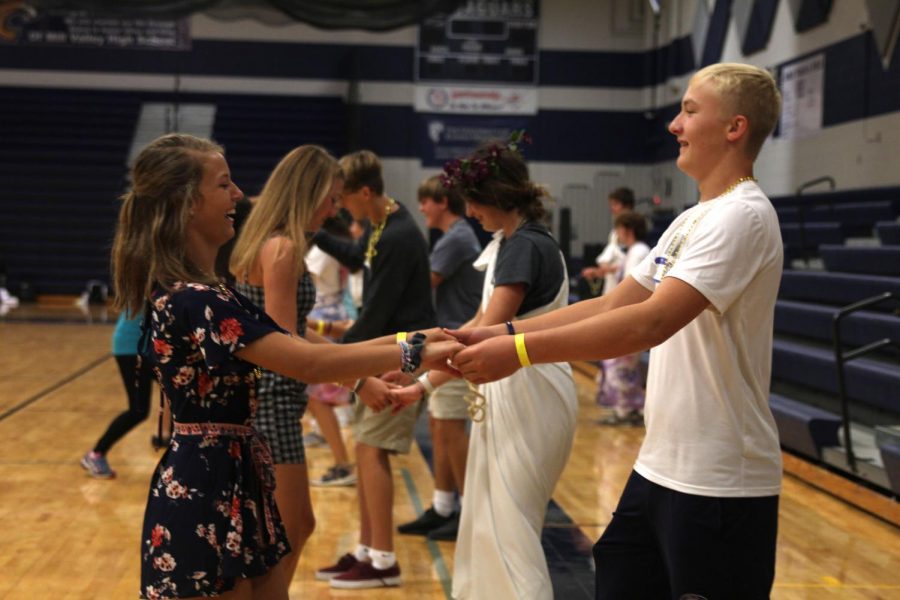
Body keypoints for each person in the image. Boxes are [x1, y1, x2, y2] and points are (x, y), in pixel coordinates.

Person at [450, 63, 784, 599]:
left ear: (734, 128)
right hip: (658, 467)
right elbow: (613, 304)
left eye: (690, 111)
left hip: (721, 481)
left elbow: (650, 322)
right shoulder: (692, 218)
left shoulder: (742, 217)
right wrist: (499, 333)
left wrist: (518, 350)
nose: (675, 125)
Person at [112, 133, 458, 600]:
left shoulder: (213, 292)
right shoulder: (198, 300)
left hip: (235, 473)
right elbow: (307, 360)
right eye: (223, 184)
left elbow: (294, 340)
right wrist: (413, 349)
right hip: (205, 486)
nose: (238, 194)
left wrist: (414, 342)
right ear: (187, 203)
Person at [395, 132, 578, 599]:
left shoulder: (523, 246)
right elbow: (478, 325)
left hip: (530, 388)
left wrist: (415, 367)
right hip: (518, 385)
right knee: (490, 517)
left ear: (495, 196)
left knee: (510, 526)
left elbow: (485, 328)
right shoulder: (516, 241)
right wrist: (420, 384)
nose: (471, 212)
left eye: (475, 202)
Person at [312, 149, 436, 589]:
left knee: (373, 451)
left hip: (395, 360)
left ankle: (383, 561)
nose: (341, 206)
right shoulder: (385, 226)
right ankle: (367, 548)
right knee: (366, 450)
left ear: (365, 191)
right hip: (381, 352)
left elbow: (379, 312)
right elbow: (354, 254)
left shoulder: (398, 236)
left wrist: (334, 357)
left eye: (344, 198)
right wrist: (313, 233)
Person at [227, 144, 349, 583]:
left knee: (288, 530)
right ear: (308, 191)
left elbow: (287, 330)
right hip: (272, 404)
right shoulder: (282, 249)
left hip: (273, 401)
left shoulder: (271, 240)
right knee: (289, 530)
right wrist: (364, 365)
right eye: (331, 198)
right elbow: (286, 347)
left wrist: (360, 377)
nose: (334, 209)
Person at [395, 175, 483, 542]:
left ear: (442, 202)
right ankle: (444, 505)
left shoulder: (457, 238)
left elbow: (420, 283)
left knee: (450, 429)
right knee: (438, 427)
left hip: (457, 341)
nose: (422, 208)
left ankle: (467, 512)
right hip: (448, 338)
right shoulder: (455, 237)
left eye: (426, 201)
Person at [81, 312, 155, 478]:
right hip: (133, 347)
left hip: (143, 347)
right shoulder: (149, 286)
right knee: (138, 410)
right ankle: (96, 454)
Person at [596, 210, 650, 425]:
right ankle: (626, 409)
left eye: (619, 228)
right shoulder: (633, 251)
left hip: (630, 317)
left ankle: (628, 410)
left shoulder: (638, 251)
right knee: (621, 368)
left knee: (620, 367)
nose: (617, 233)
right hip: (628, 316)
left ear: (628, 229)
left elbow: (632, 286)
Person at [580, 186, 635, 296]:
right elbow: (612, 264)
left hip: (625, 291)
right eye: (611, 205)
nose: (612, 208)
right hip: (611, 287)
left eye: (615, 204)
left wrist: (604, 270)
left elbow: (630, 267)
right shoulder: (614, 233)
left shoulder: (635, 236)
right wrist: (598, 272)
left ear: (627, 206)